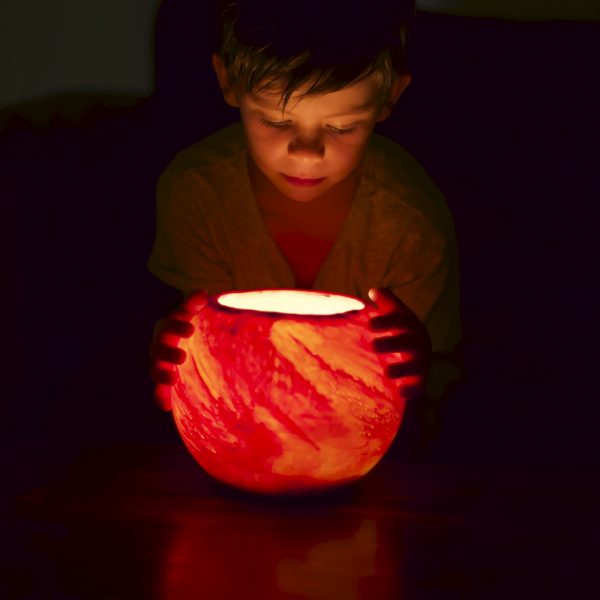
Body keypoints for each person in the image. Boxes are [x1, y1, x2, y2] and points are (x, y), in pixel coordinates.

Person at [148, 0, 462, 451]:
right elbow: (200, 365)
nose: (307, 153)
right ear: (227, 81)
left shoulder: (409, 223)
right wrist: (171, 362)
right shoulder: (199, 193)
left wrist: (417, 374)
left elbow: (436, 408)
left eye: (340, 128)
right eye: (276, 121)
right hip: (235, 448)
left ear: (389, 96)